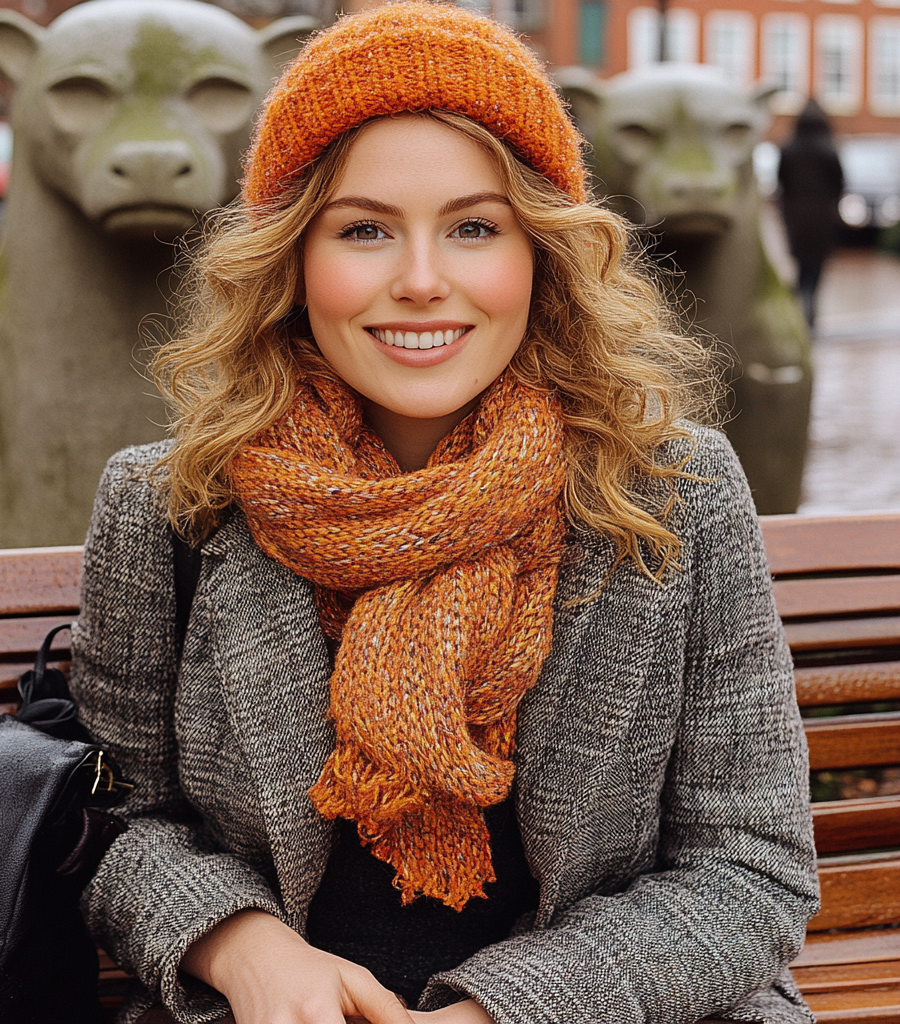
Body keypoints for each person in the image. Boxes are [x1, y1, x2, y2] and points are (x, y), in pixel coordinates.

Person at [69, 5, 819, 1023]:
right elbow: (115, 818)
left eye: (473, 227)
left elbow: (751, 870)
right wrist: (240, 948)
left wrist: (499, 1011)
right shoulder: (174, 505)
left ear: (541, 252)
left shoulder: (672, 493)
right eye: (364, 229)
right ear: (292, 257)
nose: (420, 282)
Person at [777, 98, 844, 329]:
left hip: (795, 216)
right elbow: (840, 184)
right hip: (822, 217)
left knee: (802, 266)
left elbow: (781, 182)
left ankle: (801, 308)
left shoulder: (788, 148)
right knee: (815, 268)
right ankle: (808, 310)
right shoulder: (830, 148)